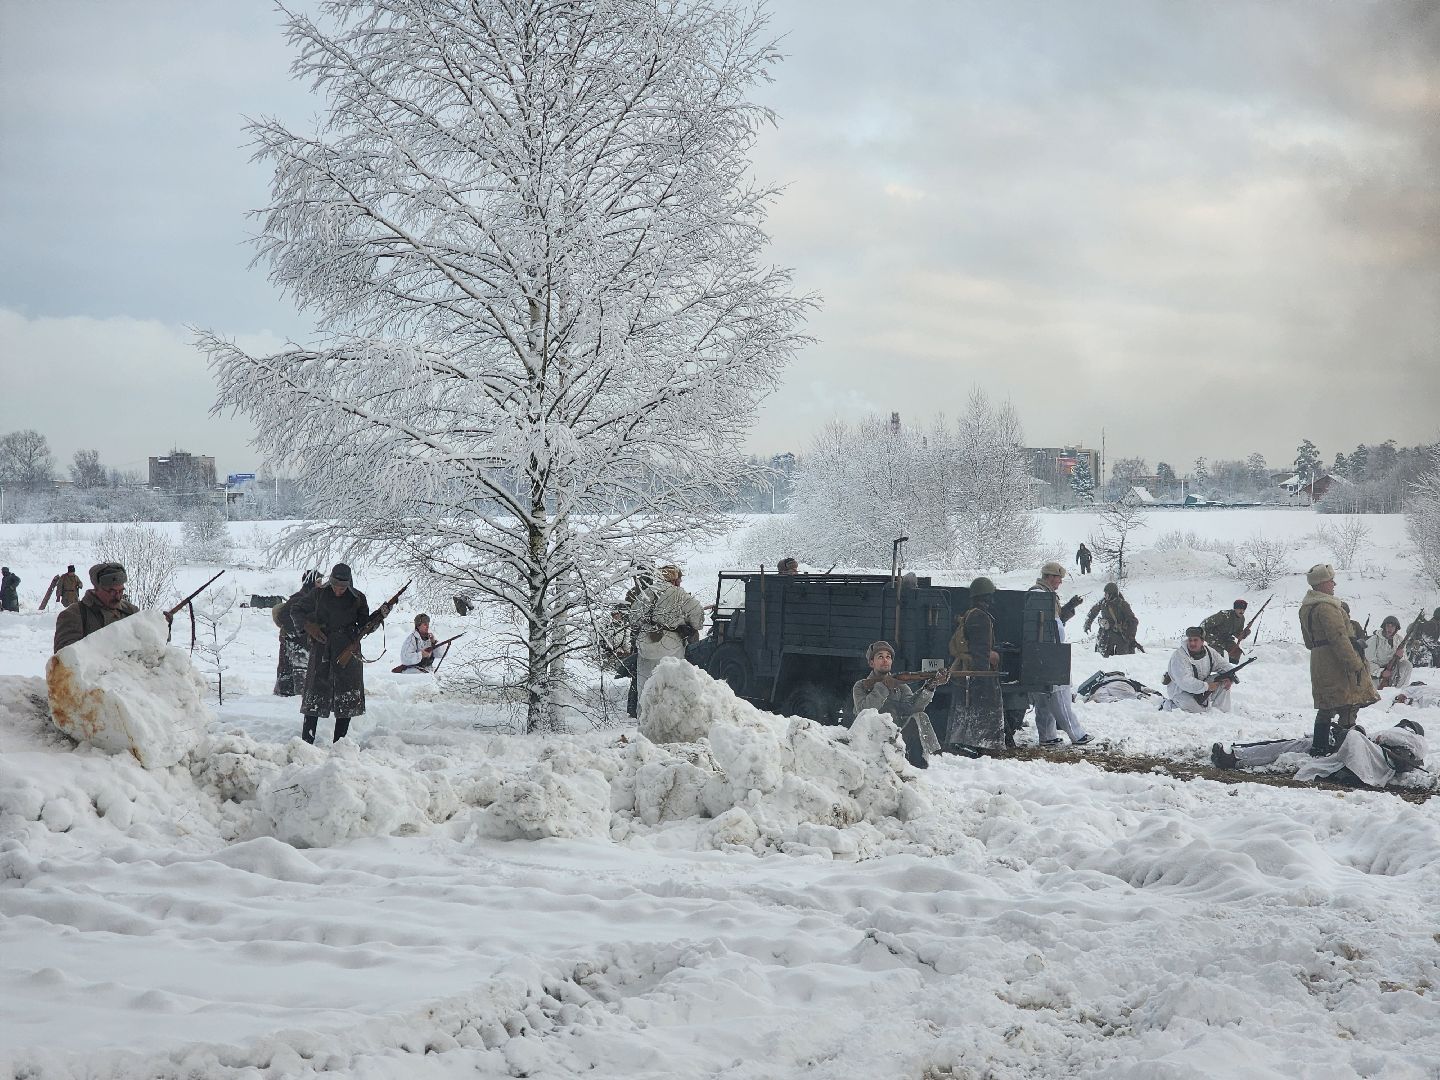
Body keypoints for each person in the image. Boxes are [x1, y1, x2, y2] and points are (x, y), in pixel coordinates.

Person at [1299, 564, 1379, 756]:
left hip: (1319, 660)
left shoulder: (1307, 607)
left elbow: (1309, 642)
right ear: (1321, 584)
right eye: (1330, 580)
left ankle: (1320, 747)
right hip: (1335, 661)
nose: (1334, 584)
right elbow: (1339, 638)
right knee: (1348, 703)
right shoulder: (1327, 607)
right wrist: (1355, 663)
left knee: (1326, 705)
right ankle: (1345, 749)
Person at [1210, 720, 1426, 789]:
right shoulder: (1398, 743)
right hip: (1344, 753)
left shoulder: (1408, 740)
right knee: (1294, 747)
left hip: (1347, 755)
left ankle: (1237, 758)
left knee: (1292, 747)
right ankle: (1237, 758)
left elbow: (1389, 752)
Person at [290, 562, 371, 744]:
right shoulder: (318, 594)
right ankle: (306, 742)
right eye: (335, 586)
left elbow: (364, 625)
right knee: (314, 697)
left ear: (349, 584)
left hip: (348, 651)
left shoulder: (358, 598)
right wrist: (309, 627)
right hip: (322, 649)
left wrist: (379, 616)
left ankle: (339, 745)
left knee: (346, 697)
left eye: (342, 587)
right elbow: (296, 610)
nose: (338, 591)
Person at [853, 639, 950, 768]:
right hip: (873, 736)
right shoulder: (861, 686)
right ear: (872, 662)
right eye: (880, 657)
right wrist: (883, 686)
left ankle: (921, 762)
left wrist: (930, 686)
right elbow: (864, 711)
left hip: (897, 733)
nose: (885, 660)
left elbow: (913, 707)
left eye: (888, 657)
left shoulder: (900, 686)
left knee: (920, 715)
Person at [1027, 561, 1091, 747]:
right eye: (1058, 578)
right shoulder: (1040, 595)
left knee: (1044, 699)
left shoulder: (1043, 595)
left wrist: (1069, 608)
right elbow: (1050, 626)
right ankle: (1077, 735)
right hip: (1050, 652)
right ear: (1049, 577)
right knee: (1060, 694)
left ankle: (1048, 736)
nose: (1060, 582)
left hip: (1044, 651)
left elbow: (1053, 623)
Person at [630, 564, 705, 705]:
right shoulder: (679, 594)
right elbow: (697, 618)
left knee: (645, 690)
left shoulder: (646, 593)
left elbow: (633, 617)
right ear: (675, 579)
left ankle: (645, 720)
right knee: (670, 690)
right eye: (680, 579)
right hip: (671, 648)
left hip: (645, 645)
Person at [947, 576, 1006, 749]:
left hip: (970, 669)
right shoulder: (980, 617)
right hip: (977, 671)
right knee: (981, 707)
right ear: (986, 596)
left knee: (966, 708)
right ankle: (977, 745)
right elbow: (980, 650)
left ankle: (965, 743)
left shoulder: (971, 614)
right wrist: (984, 675)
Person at [52, 562, 139, 652]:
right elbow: (66, 659)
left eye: (121, 591)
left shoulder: (131, 611)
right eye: (112, 592)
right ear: (97, 588)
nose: (117, 597)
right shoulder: (74, 616)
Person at [1162, 627, 1240, 713]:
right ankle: (1169, 705)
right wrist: (1207, 686)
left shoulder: (1209, 652)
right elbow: (1185, 682)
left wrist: (1230, 678)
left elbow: (1224, 665)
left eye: (1195, 640)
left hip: (1201, 687)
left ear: (1202, 641)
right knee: (1198, 710)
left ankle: (1220, 713)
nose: (1192, 643)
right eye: (1190, 640)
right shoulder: (1179, 656)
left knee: (1223, 681)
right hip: (1180, 691)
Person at [272, 569, 322, 696]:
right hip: (295, 645)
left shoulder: (313, 598)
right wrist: (299, 634)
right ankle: (293, 698)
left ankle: (286, 696)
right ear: (310, 582)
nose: (321, 584)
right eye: (318, 581)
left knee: (292, 672)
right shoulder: (299, 599)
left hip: (299, 644)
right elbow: (285, 617)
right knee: (299, 674)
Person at [1083, 582, 1139, 657]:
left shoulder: (1122, 605)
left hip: (1119, 635)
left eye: (1106, 593)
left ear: (1112, 594)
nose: (1105, 595)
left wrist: (1131, 637)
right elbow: (1093, 611)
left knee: (1122, 658)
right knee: (1101, 657)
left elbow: (1133, 621)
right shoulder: (1103, 602)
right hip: (1105, 634)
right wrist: (1087, 623)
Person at [1366, 616, 1413, 690]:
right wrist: (1381, 672)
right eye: (1388, 626)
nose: (1390, 628)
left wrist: (1400, 656)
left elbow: (1404, 659)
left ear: (1396, 628)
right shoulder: (1374, 640)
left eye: (1393, 626)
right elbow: (1366, 662)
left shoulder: (1399, 640)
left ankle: (1399, 691)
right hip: (1374, 673)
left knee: (1407, 665)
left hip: (1392, 671)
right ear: (1384, 627)